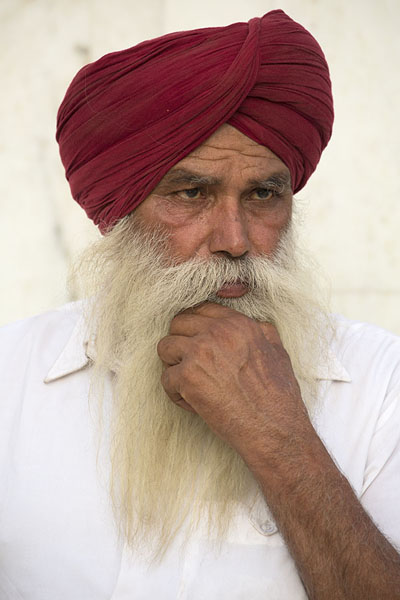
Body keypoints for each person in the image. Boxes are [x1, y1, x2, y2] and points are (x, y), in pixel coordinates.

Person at [0, 9, 399, 600]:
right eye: (191, 193)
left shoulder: (381, 382)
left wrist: (280, 438)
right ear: (121, 213)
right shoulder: (12, 373)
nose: (235, 241)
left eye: (263, 194)